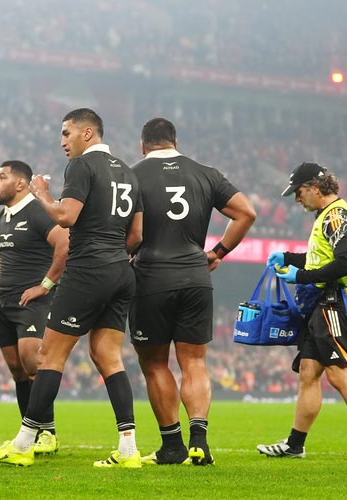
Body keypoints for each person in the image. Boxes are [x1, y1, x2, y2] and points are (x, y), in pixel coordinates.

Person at [0, 108, 143, 468]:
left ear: (87, 133)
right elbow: (136, 234)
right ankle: (128, 449)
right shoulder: (129, 172)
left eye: (66, 133)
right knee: (108, 357)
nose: (62, 142)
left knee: (49, 357)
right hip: (121, 270)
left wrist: (42, 193)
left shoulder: (82, 166)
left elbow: (66, 217)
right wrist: (111, 253)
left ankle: (24, 443)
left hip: (87, 271)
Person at [129, 118, 256, 466]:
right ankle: (199, 441)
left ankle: (172, 446)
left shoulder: (132, 175)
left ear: (143, 146)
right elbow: (246, 213)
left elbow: (130, 233)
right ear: (175, 141)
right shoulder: (205, 173)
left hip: (151, 277)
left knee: (155, 363)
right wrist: (218, 252)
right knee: (195, 362)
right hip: (195, 276)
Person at [257, 162, 347, 472]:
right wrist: (289, 258)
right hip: (322, 303)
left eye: (298, 192)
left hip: (334, 303)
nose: (296, 199)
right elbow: (320, 259)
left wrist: (299, 276)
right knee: (308, 371)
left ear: (315, 187)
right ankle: (295, 444)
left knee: (339, 375)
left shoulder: (337, 216)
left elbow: (344, 263)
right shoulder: (326, 215)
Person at [0, 160, 69, 454]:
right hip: (5, 302)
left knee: (33, 363)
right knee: (17, 370)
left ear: (20, 183)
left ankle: (48, 433)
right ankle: (28, 433)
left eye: (2, 177)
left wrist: (45, 285)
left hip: (34, 302)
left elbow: (64, 243)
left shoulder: (37, 212)